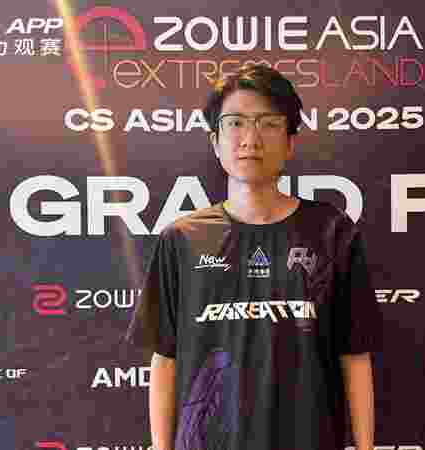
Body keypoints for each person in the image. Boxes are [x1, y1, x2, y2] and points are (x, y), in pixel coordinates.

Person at [125, 63, 382, 450]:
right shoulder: (182, 239)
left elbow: (355, 355)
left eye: (268, 123)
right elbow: (165, 359)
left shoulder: (332, 232)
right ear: (215, 141)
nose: (251, 139)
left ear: (291, 141)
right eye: (236, 123)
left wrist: (365, 447)